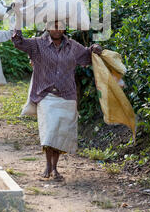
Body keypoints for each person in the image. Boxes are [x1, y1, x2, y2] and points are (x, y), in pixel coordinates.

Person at [12, 20, 102, 179]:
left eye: (61, 26)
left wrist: (94, 49)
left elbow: (86, 57)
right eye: (54, 26)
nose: (57, 29)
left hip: (67, 95)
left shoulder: (73, 46)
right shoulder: (37, 44)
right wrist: (17, 22)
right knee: (50, 130)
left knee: (60, 132)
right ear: (47, 27)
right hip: (46, 94)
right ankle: (48, 165)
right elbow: (19, 42)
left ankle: (55, 168)